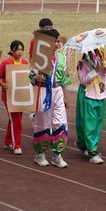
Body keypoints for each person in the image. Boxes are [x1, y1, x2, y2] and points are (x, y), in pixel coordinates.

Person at [30, 29, 70, 168]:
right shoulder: (39, 58)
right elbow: (31, 76)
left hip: (57, 91)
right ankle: (40, 154)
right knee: (43, 123)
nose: (57, 44)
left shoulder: (62, 57)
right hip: (43, 92)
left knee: (60, 122)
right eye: (54, 41)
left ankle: (57, 155)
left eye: (58, 41)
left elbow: (64, 77)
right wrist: (36, 77)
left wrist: (65, 96)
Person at [76, 49, 106, 164]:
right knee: (89, 123)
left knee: (98, 122)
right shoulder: (82, 63)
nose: (96, 51)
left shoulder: (100, 60)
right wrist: (95, 71)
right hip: (88, 95)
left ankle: (86, 145)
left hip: (101, 95)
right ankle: (92, 151)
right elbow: (82, 80)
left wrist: (104, 61)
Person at [0, 40, 29, 155]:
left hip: (21, 96)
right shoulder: (6, 62)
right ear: (12, 51)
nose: (20, 52)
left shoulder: (25, 62)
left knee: (15, 119)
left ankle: (8, 141)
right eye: (17, 49)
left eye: (21, 49)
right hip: (9, 97)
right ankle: (17, 145)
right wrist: (3, 85)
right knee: (16, 120)